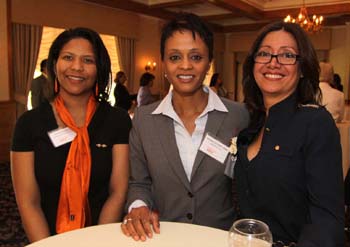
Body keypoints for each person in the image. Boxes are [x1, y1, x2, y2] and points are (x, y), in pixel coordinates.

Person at [121, 13, 249, 241]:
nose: (185, 66)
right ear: (163, 63)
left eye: (196, 57)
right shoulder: (143, 118)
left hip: (221, 238)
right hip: (163, 236)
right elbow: (139, 182)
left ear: (209, 63)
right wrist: (139, 205)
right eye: (174, 57)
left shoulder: (238, 115)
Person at [11, 27, 131, 243]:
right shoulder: (28, 124)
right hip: (47, 238)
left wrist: (100, 241)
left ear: (99, 69)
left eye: (88, 60)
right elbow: (29, 202)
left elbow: (118, 191)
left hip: (104, 238)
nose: (77, 67)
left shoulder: (118, 120)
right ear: (54, 64)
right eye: (68, 57)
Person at [234, 21, 344, 246]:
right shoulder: (251, 124)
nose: (273, 63)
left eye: (287, 56)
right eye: (264, 53)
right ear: (253, 64)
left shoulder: (315, 123)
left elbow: (326, 220)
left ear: (302, 68)